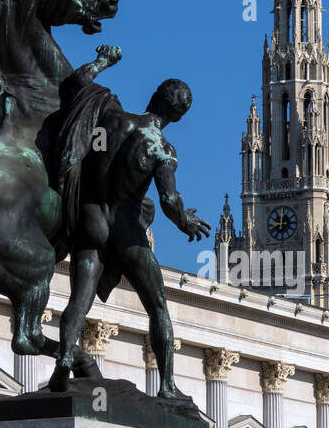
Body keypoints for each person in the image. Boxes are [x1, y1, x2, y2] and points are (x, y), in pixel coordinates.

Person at [50, 77, 210, 396]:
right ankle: (166, 387)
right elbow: (169, 201)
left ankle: (64, 363)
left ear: (152, 96)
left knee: (79, 301)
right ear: (177, 117)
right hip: (126, 228)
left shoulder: (112, 120)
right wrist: (185, 222)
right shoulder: (163, 149)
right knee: (157, 308)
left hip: (92, 216)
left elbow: (87, 151)